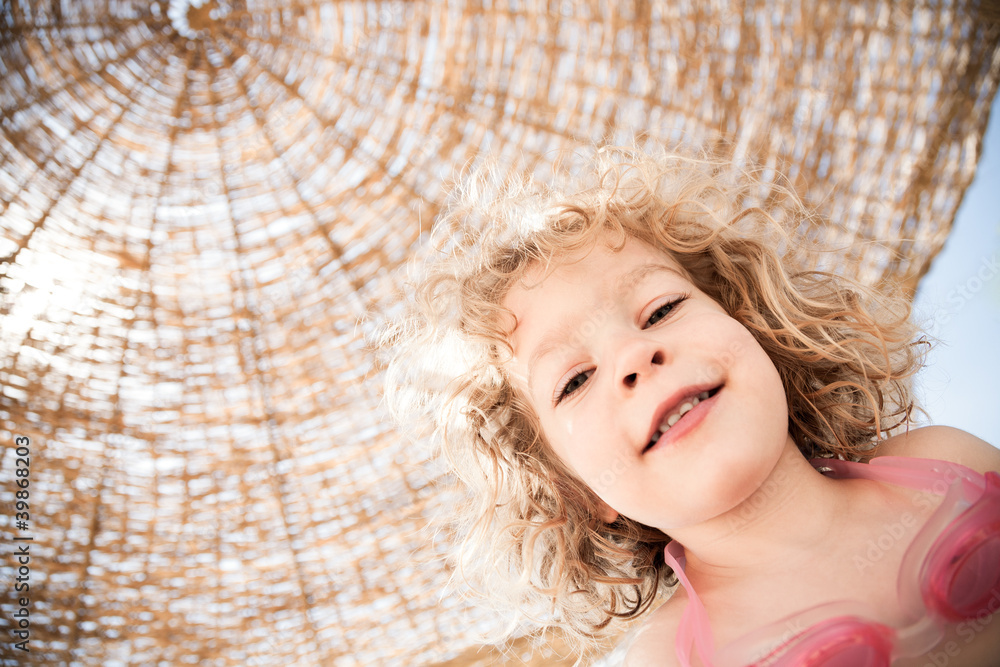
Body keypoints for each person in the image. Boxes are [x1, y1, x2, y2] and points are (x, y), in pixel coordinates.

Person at [378, 145, 1000, 666]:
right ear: (579, 492)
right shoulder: (671, 658)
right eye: (574, 380)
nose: (634, 355)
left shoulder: (948, 465)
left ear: (753, 326)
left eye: (661, 310)